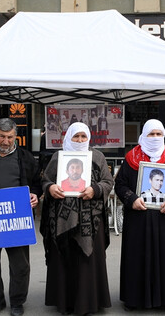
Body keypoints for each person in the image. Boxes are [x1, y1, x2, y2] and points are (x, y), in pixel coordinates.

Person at [114, 119, 165, 313]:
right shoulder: (131, 157)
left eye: (158, 134)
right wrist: (132, 199)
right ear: (143, 135)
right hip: (138, 218)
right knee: (137, 257)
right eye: (151, 134)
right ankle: (133, 298)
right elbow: (120, 185)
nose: (155, 138)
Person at [40, 122, 113, 316]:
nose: (80, 140)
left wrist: (95, 190)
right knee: (64, 259)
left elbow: (108, 182)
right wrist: (50, 188)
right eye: (76, 137)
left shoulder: (98, 157)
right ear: (68, 137)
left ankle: (88, 303)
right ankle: (65, 302)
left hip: (91, 221)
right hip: (62, 220)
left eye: (83, 137)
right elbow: (45, 179)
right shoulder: (58, 157)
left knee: (87, 260)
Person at [0, 118, 42, 316]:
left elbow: (37, 182)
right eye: (2, 136)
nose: (6, 141)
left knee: (20, 264)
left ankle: (18, 302)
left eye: (10, 137)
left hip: (17, 218)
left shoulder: (26, 158)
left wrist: (35, 195)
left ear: (15, 137)